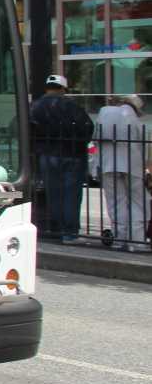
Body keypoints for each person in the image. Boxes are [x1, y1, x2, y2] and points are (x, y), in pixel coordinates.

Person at [29, 74, 94, 243]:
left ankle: (59, 230)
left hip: (47, 155)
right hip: (72, 154)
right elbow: (87, 127)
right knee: (71, 195)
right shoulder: (71, 106)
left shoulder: (35, 107)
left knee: (54, 194)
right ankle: (70, 232)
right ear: (63, 89)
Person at [94, 93, 149, 252]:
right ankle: (137, 242)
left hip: (108, 165)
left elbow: (96, 141)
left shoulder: (105, 115)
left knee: (115, 203)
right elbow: (142, 145)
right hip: (132, 166)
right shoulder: (133, 119)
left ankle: (119, 239)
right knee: (138, 203)